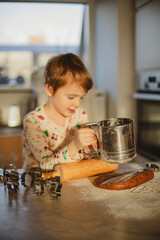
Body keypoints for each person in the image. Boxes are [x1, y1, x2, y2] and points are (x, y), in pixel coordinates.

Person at [22, 53, 97, 170]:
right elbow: (45, 166)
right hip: (38, 184)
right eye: (71, 97)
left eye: (81, 97)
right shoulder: (33, 122)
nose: (77, 104)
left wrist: (91, 148)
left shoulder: (80, 115)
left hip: (70, 179)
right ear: (50, 90)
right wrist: (75, 145)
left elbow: (83, 157)